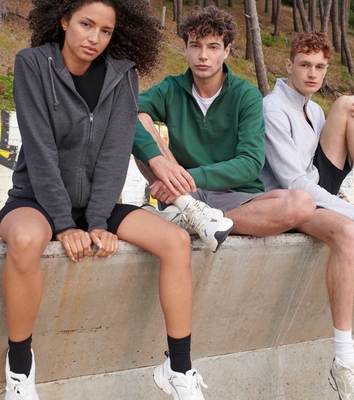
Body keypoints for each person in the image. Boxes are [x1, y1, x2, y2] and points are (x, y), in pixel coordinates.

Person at [0, 1, 206, 399]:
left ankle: (178, 369)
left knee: (176, 241)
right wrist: (64, 225)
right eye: (86, 24)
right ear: (64, 20)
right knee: (24, 240)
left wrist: (96, 222)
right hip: (36, 199)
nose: (94, 38)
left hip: (98, 203)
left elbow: (114, 154)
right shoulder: (33, 64)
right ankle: (20, 373)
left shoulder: (122, 75)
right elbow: (40, 150)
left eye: (105, 31)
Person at [261, 31, 354, 399]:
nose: (312, 74)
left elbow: (345, 148)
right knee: (348, 234)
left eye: (320, 67)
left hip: (314, 184)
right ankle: (345, 362)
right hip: (287, 198)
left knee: (352, 105)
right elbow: (294, 182)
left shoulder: (315, 109)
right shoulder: (272, 109)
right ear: (288, 65)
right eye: (304, 65)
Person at [133, 5, 316, 244]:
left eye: (213, 47)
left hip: (235, 197)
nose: (203, 56)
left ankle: (201, 221)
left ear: (227, 51)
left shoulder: (246, 95)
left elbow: (250, 164)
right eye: (195, 46)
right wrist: (164, 167)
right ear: (186, 48)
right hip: (183, 193)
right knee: (140, 120)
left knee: (302, 203)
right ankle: (189, 210)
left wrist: (189, 176)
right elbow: (126, 112)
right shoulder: (170, 89)